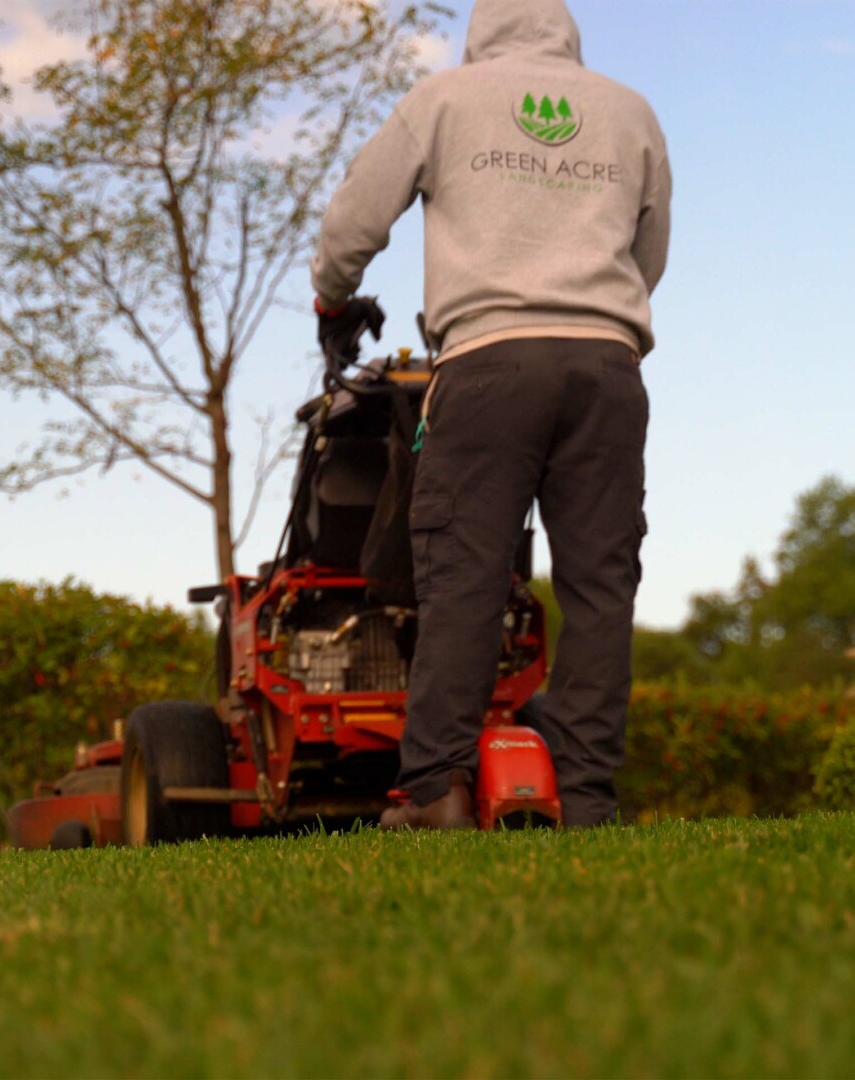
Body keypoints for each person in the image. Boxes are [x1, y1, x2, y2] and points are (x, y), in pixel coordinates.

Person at [312, 0, 671, 829]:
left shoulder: (443, 100)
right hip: (605, 366)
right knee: (600, 585)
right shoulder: (630, 111)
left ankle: (435, 789)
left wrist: (333, 297)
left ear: (479, 33)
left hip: (486, 365)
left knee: (464, 578)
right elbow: (647, 254)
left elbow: (353, 222)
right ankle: (583, 796)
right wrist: (595, 316)